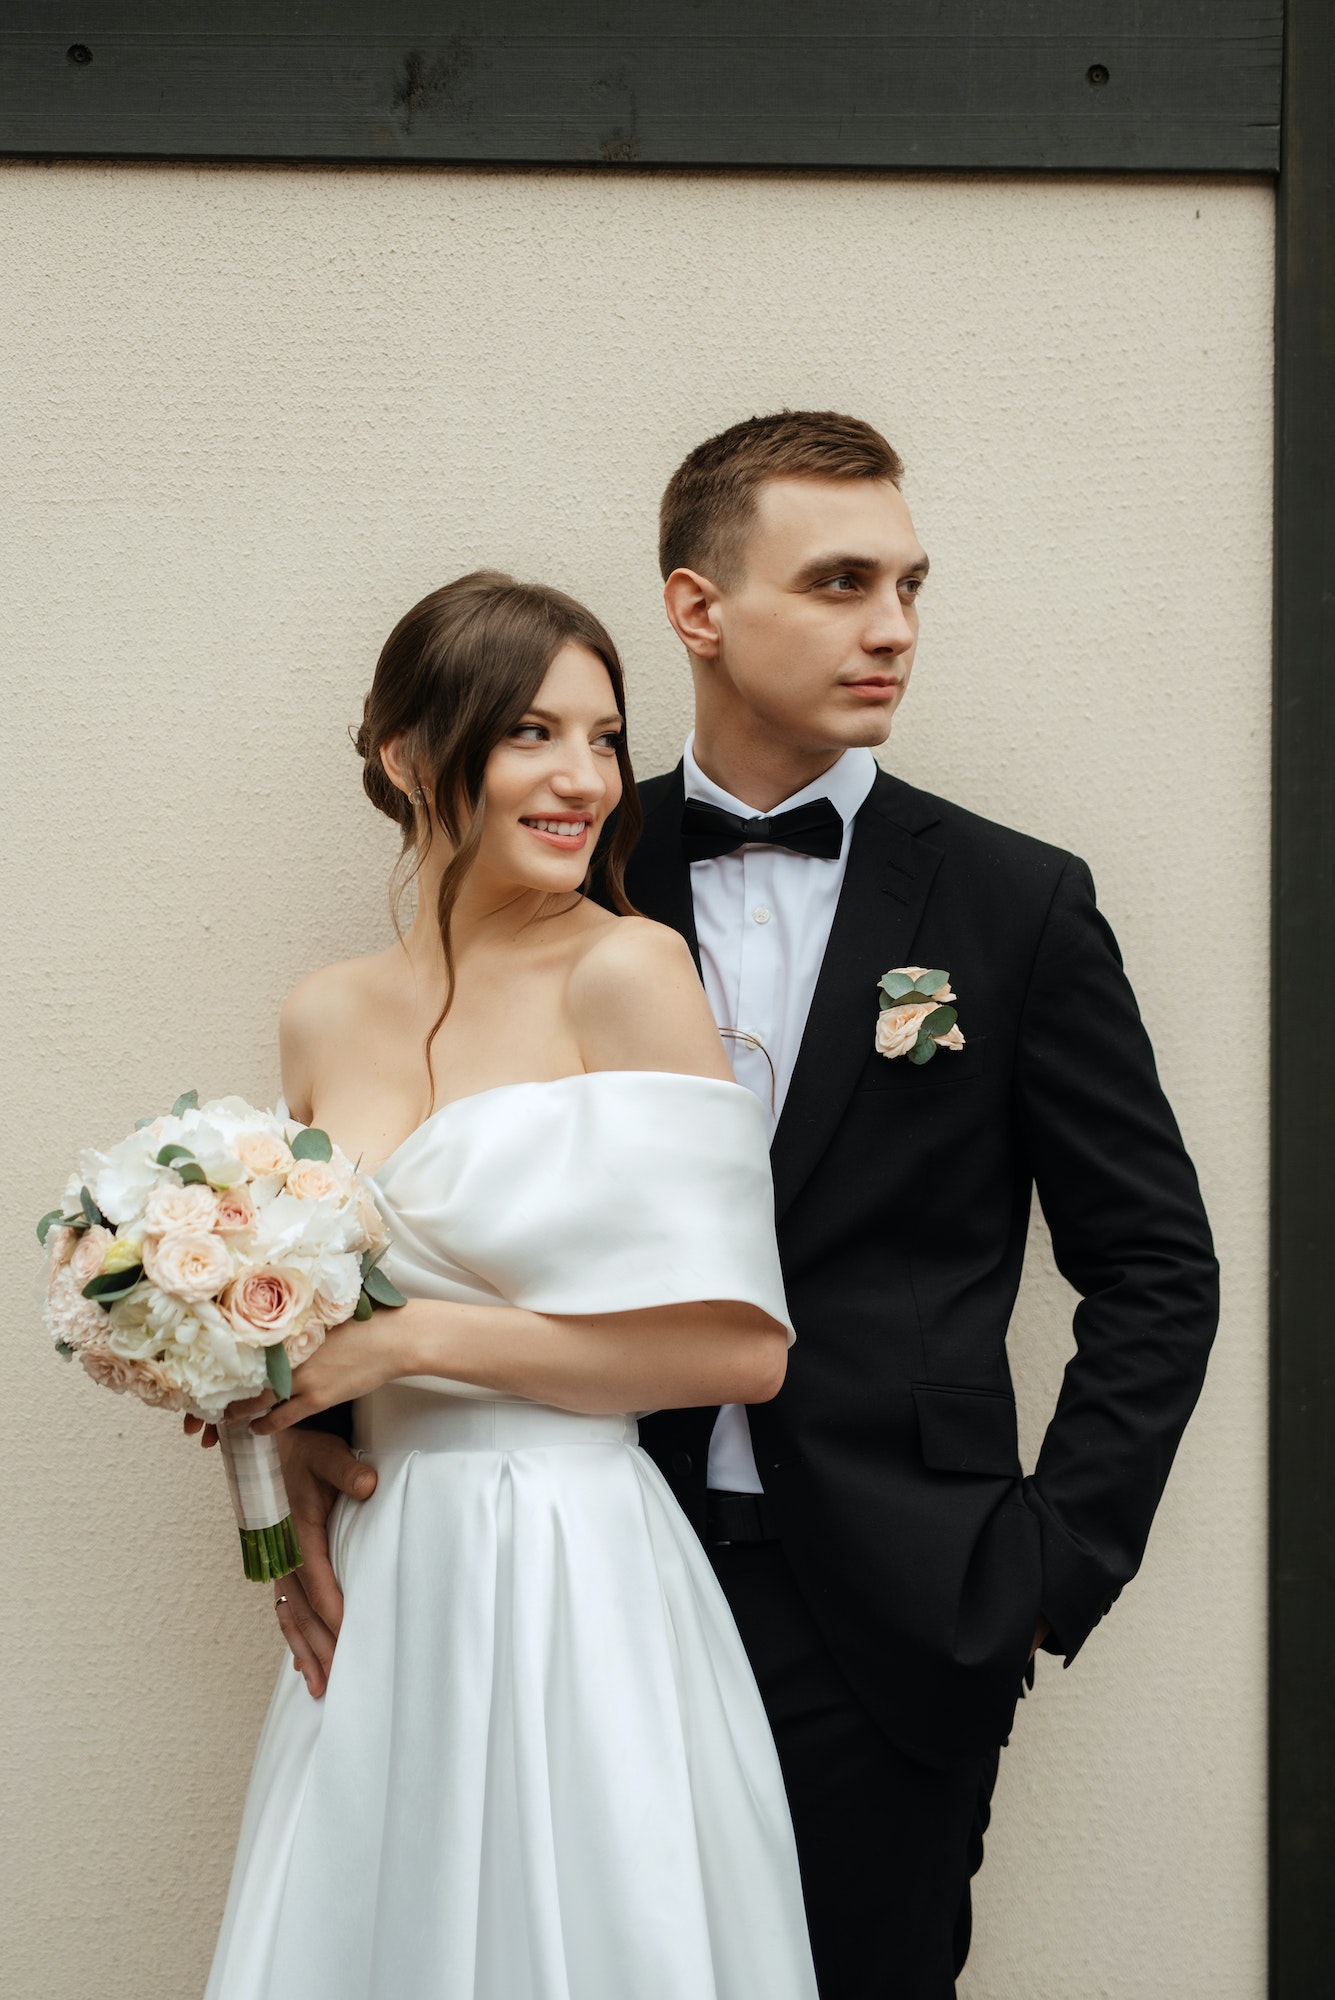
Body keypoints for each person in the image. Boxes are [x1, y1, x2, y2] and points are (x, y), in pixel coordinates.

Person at [275, 414, 1220, 1998]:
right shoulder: (566, 856)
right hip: (562, 1587)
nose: (895, 627)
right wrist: (313, 1424)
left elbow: (1154, 1267)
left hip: (897, 1611)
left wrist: (1040, 1571)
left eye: (912, 584)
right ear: (698, 608)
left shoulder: (1014, 902)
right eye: (843, 581)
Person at [199, 571, 819, 1999]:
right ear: (413, 758)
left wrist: (418, 1342)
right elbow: (293, 1321)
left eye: (605, 738)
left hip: (577, 1558)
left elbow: (737, 1352)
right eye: (536, 734)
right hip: (394, 1561)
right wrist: (278, 1450)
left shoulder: (631, 971)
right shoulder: (323, 1011)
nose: (587, 779)